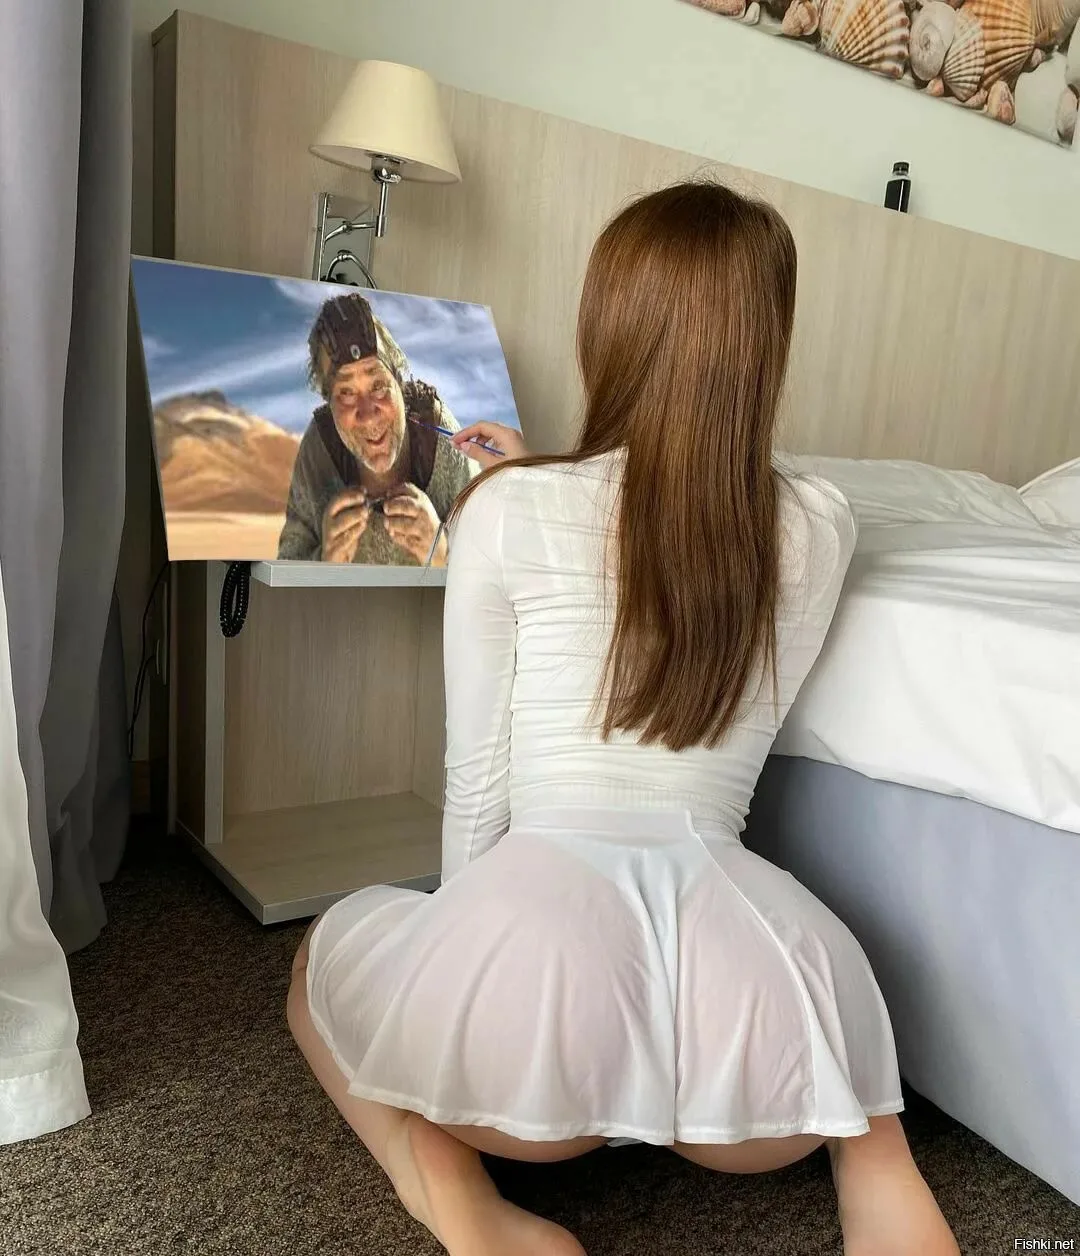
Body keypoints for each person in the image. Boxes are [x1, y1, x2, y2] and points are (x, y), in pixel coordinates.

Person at [287, 182, 961, 1256]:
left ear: (609, 327)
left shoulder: (507, 506)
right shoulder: (822, 526)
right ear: (764, 347)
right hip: (758, 1023)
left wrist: (462, 964)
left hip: (536, 1005)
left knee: (323, 955)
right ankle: (877, 1169)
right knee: (856, 1095)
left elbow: (478, 781)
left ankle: (459, 1198)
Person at [277, 292, 477, 566]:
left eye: (379, 386)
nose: (369, 417)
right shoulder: (320, 450)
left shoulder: (437, 436)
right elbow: (287, 564)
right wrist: (324, 562)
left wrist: (441, 553)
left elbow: (493, 564)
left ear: (399, 383)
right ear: (329, 403)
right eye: (346, 393)